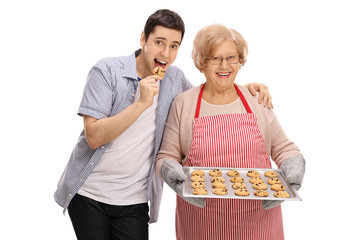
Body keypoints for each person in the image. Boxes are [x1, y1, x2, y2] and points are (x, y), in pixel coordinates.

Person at [54, 9, 272, 240]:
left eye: (174, 45)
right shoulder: (106, 71)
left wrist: (244, 89)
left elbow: (207, 96)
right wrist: (141, 103)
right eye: (159, 42)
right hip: (89, 193)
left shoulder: (175, 80)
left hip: (135, 199)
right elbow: (94, 136)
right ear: (143, 39)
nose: (166, 53)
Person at [156, 23, 305, 240]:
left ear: (240, 60)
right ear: (201, 64)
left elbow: (284, 148)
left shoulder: (256, 99)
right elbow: (166, 155)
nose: (224, 65)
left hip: (258, 222)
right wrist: (170, 172)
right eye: (215, 58)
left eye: (231, 57)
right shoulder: (183, 103)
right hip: (201, 221)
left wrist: (293, 167)